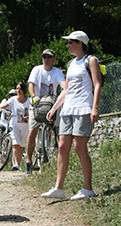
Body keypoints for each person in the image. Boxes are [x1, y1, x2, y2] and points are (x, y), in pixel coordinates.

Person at [41, 31, 101, 200]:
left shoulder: (91, 60)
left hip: (83, 108)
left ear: (80, 43)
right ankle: (58, 188)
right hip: (68, 109)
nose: (67, 46)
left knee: (79, 148)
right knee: (62, 147)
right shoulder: (70, 63)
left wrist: (95, 108)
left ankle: (87, 188)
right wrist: (54, 108)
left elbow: (97, 85)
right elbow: (66, 90)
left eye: (70, 43)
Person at [25, 49, 65, 175]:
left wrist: (66, 89)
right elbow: (31, 84)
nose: (46, 59)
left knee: (59, 129)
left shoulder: (57, 72)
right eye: (44, 57)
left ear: (54, 59)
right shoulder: (37, 69)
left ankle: (60, 158)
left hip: (51, 103)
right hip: (37, 104)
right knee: (32, 131)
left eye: (49, 57)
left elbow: (63, 84)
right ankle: (28, 162)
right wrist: (33, 97)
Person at [0, 82, 30, 170]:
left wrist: (29, 116)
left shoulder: (28, 100)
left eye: (20, 89)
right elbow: (5, 105)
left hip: (25, 124)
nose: (18, 91)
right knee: (15, 143)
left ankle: (18, 163)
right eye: (17, 88)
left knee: (21, 145)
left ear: (24, 90)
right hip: (14, 124)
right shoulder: (13, 99)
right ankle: (16, 164)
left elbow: (32, 109)